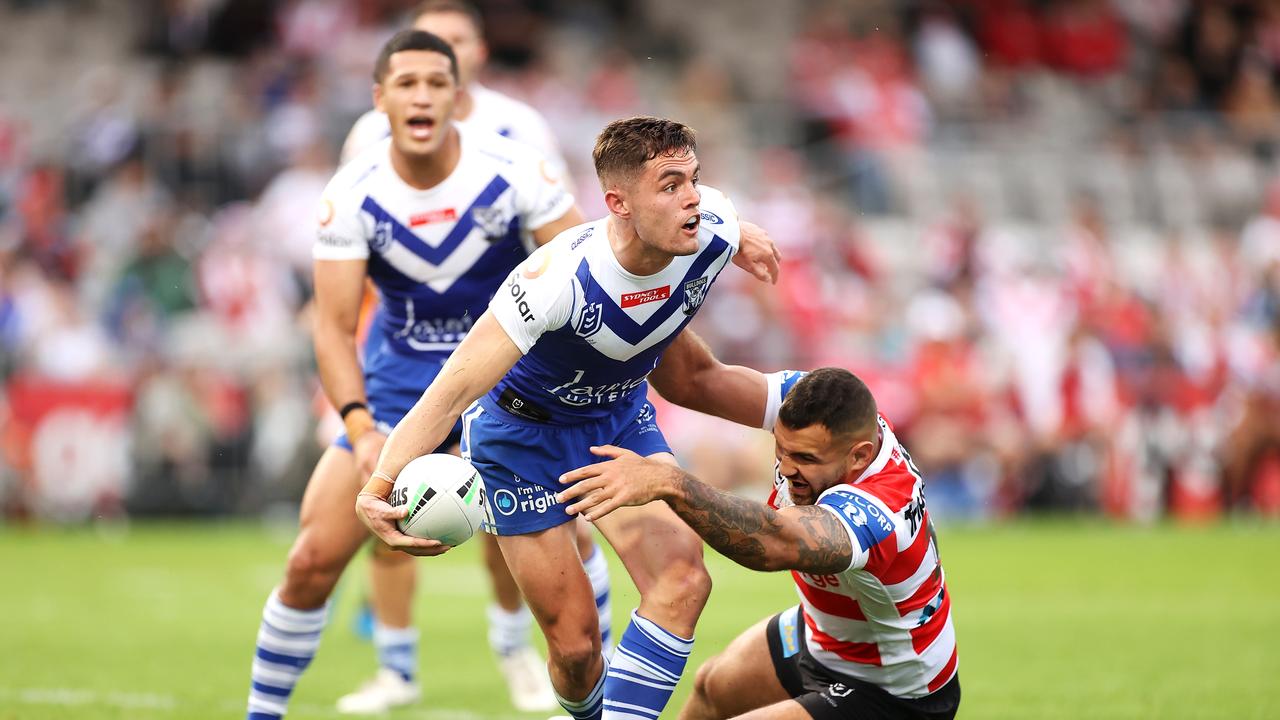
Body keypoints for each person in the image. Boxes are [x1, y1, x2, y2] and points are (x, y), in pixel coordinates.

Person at [355, 116, 779, 720]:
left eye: (694, 179)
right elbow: (449, 394)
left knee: (683, 580)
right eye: (669, 185)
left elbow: (721, 219)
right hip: (520, 442)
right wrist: (376, 486)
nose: (692, 198)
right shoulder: (554, 281)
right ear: (618, 203)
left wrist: (742, 233)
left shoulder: (709, 223)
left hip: (619, 423)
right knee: (577, 650)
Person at [243, 30, 591, 720]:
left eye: (438, 82)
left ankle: (584, 697)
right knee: (311, 561)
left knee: (574, 565)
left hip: (509, 396)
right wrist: (360, 428)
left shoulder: (519, 171)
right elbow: (333, 327)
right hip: (402, 400)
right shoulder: (351, 194)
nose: (424, 95)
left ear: (458, 95)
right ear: (380, 100)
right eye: (407, 84)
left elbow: (586, 269)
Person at [336, 2, 597, 711]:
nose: (425, 81)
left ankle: (517, 649)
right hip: (400, 354)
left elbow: (563, 241)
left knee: (507, 512)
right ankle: (395, 667)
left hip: (503, 351)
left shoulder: (519, 130)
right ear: (386, 85)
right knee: (387, 500)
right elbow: (357, 243)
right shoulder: (367, 137)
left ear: (473, 56)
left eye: (451, 46)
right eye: (415, 61)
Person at [558, 367, 962, 720]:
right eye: (781, 449)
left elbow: (774, 543)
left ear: (859, 457)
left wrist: (670, 483)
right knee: (712, 687)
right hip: (825, 635)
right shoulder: (813, 404)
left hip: (894, 691)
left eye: (804, 458)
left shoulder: (881, 510)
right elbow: (693, 378)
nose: (786, 470)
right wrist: (670, 290)